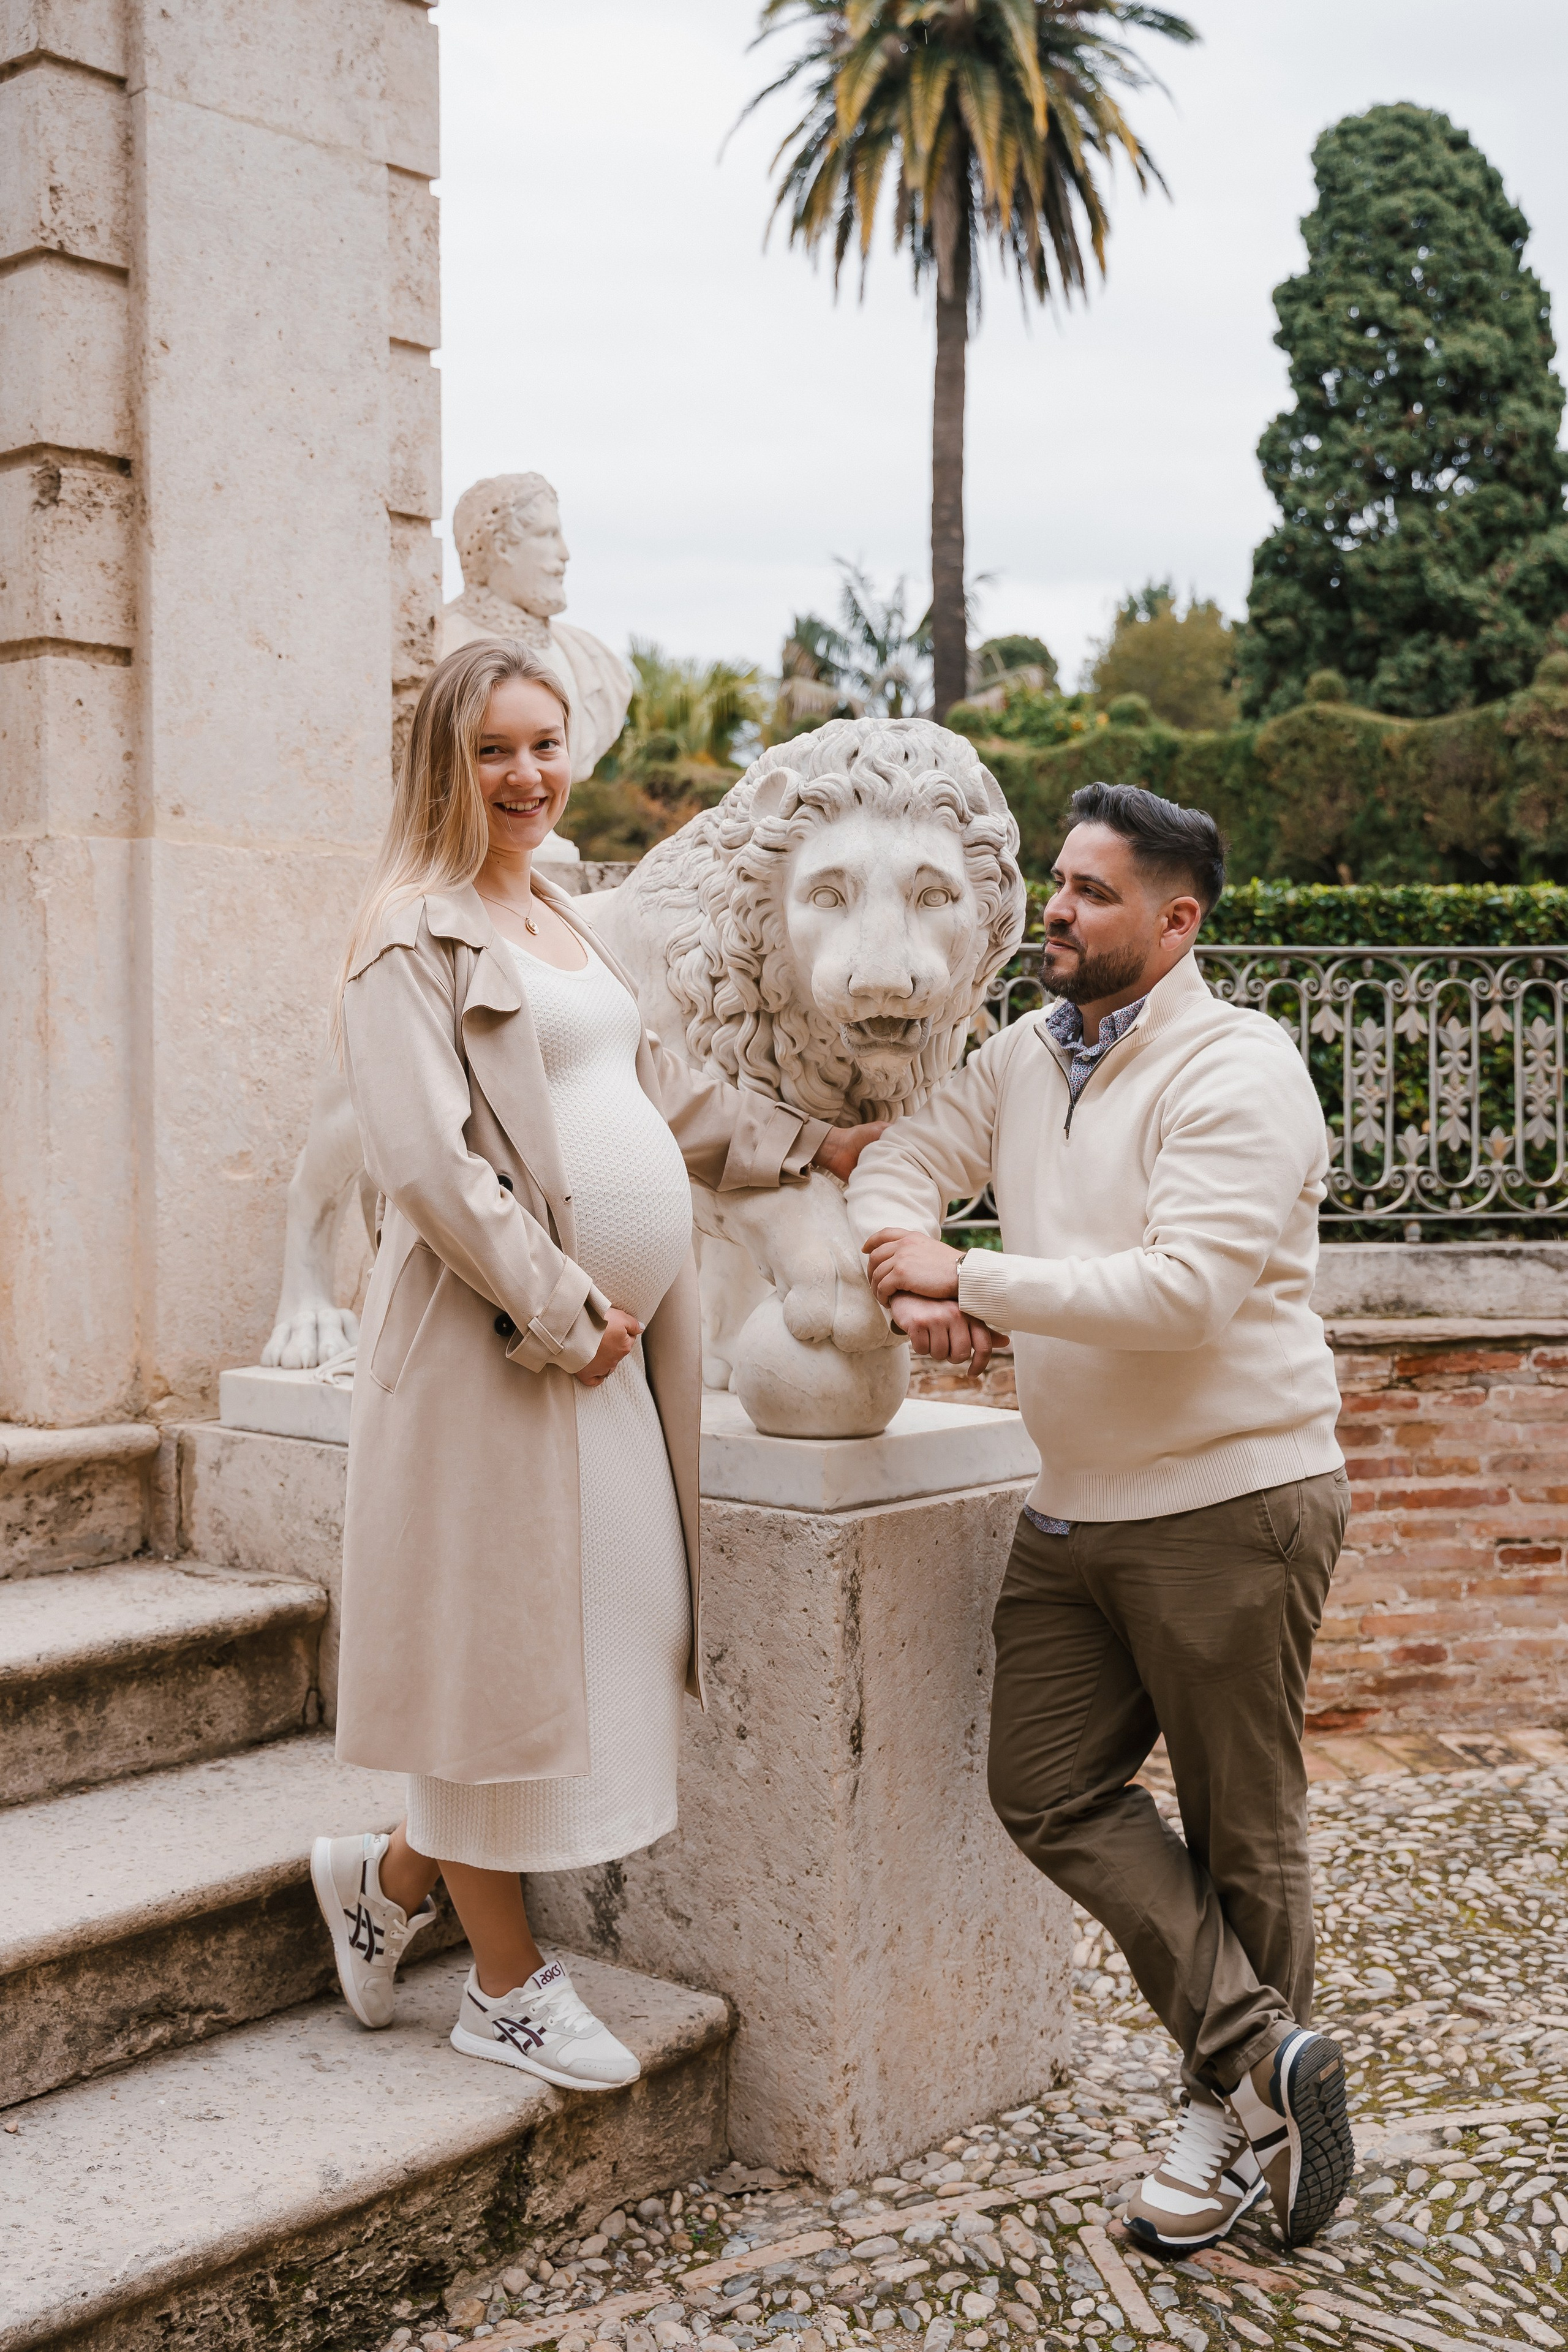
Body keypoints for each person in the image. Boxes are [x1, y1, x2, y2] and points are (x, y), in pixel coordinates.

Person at [311, 638, 881, 2091]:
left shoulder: (561, 913)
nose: (528, 775)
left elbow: (661, 1090)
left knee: (600, 1639)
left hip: (607, 1366)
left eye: (546, 743)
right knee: (498, 1666)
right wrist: (566, 1314)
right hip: (494, 1361)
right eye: (494, 749)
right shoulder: (406, 938)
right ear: (445, 762)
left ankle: (386, 1879)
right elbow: (429, 1169)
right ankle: (504, 1988)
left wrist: (809, 1147)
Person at [846, 782, 1353, 2254]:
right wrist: (905, 1268)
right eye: (1056, 882)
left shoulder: (1238, 1067)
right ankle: (1264, 2054)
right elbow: (895, 1163)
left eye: (1089, 893)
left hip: (1229, 1501)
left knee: (1241, 1826)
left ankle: (1228, 2126)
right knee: (1043, 1785)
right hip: (1070, 1509)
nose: (1052, 911)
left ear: (1174, 922)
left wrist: (971, 1281)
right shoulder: (1022, 1055)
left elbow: (1183, 1293)